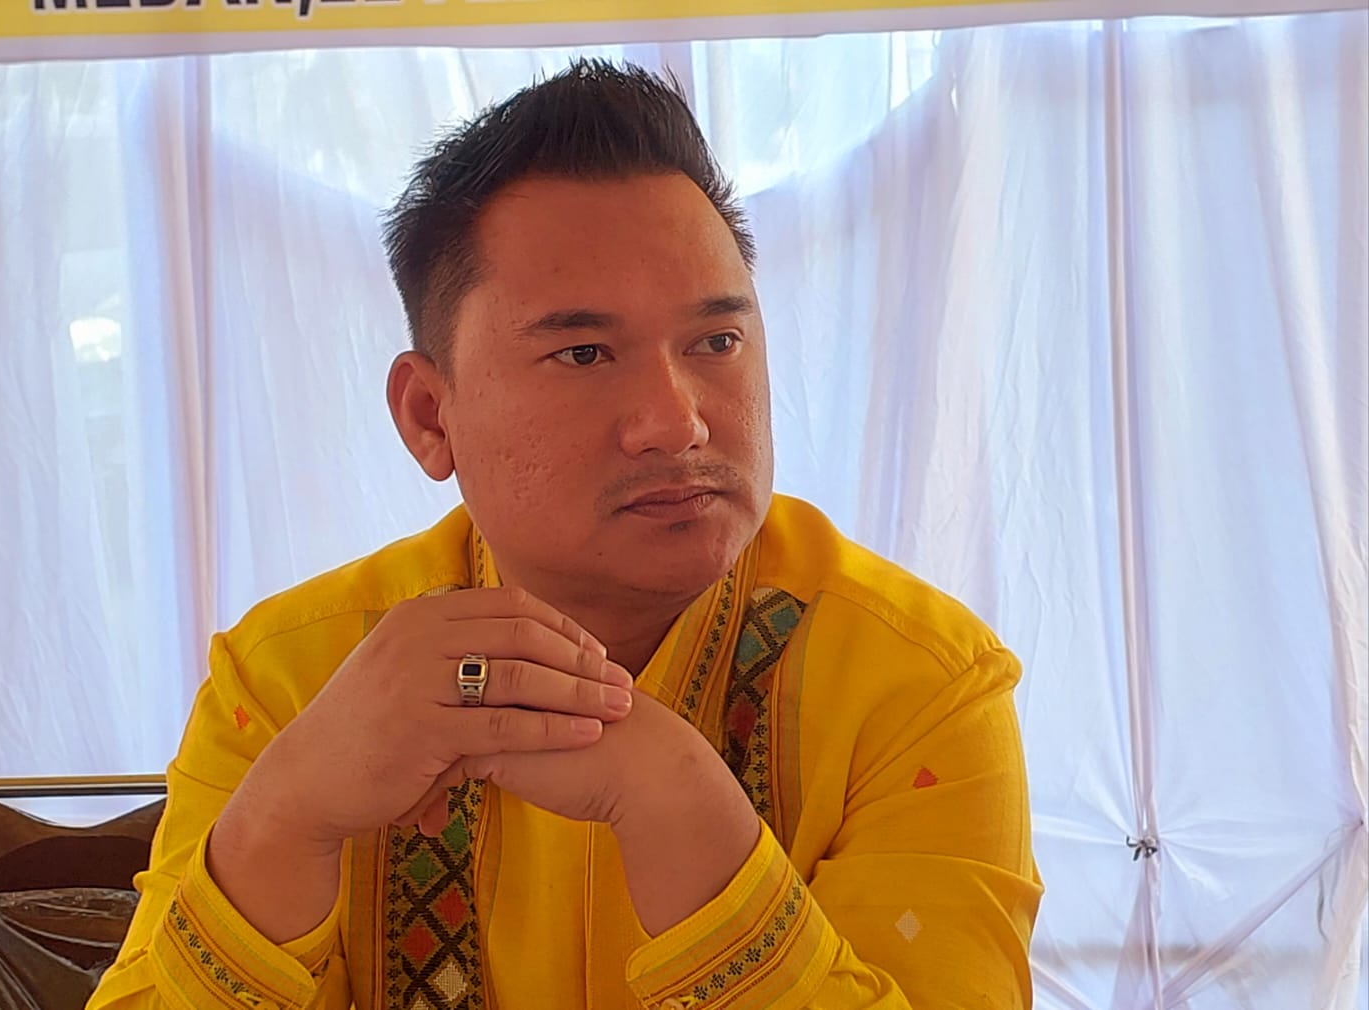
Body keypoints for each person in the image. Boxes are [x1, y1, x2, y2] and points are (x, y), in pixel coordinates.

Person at [88, 60, 1042, 1010]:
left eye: (716, 342)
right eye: (584, 353)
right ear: (429, 415)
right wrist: (283, 823)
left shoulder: (915, 685)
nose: (677, 423)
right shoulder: (289, 683)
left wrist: (680, 809)